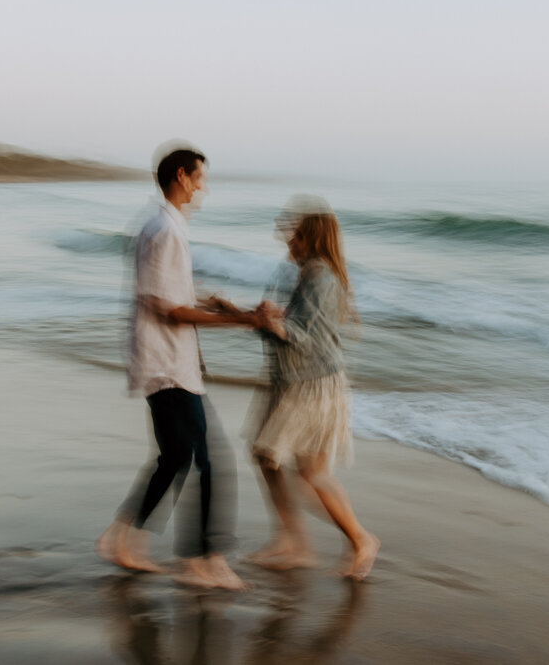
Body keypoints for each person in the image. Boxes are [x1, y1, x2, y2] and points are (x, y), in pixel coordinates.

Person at [96, 145, 259, 591]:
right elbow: (169, 310)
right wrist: (240, 320)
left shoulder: (161, 225)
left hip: (162, 360)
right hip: (167, 364)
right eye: (200, 176)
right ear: (183, 177)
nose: (203, 186)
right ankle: (204, 559)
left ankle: (120, 539)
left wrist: (216, 303)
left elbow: (166, 294)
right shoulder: (167, 229)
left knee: (174, 459)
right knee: (210, 460)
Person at [247, 197, 380, 581]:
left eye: (294, 234)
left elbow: (306, 338)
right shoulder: (308, 273)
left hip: (314, 386)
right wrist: (259, 317)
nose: (287, 240)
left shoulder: (321, 277)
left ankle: (359, 540)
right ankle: (293, 542)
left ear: (310, 238)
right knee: (272, 459)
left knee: (306, 471)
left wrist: (271, 322)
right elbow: (297, 327)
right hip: (296, 382)